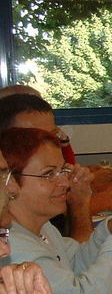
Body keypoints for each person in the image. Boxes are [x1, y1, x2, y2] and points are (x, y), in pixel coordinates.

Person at [1, 127, 112, 294]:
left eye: (62, 171)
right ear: (9, 183)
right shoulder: (13, 249)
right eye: (49, 174)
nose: (65, 183)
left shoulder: (42, 227)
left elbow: (76, 262)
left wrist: (110, 228)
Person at [0, 94, 97, 242]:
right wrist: (79, 206)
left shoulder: (45, 224)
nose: (46, 142)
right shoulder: (15, 229)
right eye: (32, 136)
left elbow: (67, 254)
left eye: (51, 134)